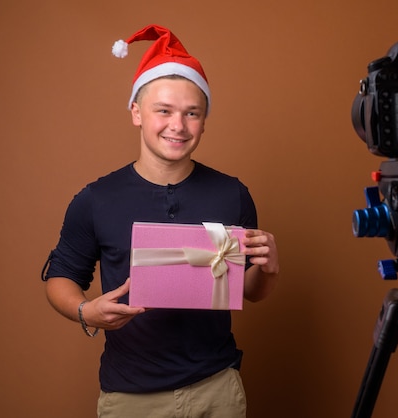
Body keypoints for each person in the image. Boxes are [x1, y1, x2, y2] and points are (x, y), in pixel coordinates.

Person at [42, 24, 279, 418]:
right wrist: (87, 311)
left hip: (216, 387)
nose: (178, 125)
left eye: (192, 113)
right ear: (136, 112)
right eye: (164, 110)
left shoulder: (231, 194)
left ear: (204, 120)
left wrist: (269, 269)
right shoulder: (96, 199)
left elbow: (250, 290)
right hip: (130, 397)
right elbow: (61, 276)